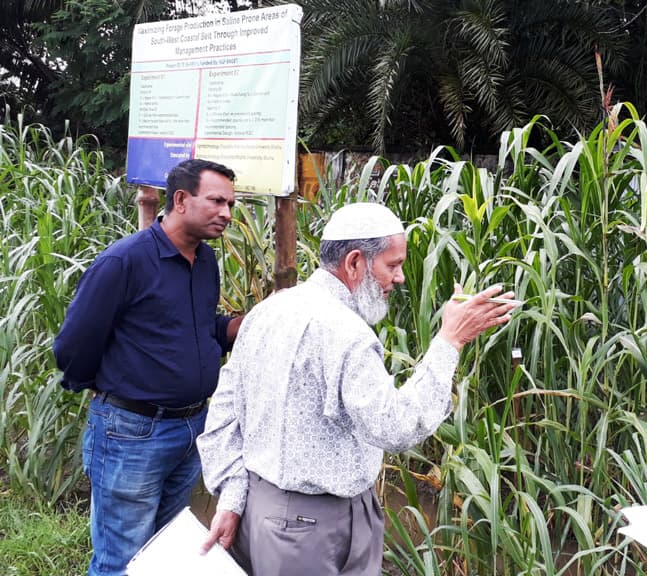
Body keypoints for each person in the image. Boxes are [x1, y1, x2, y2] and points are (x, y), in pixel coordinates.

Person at [197, 202, 518, 575]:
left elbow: (222, 413)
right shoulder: (346, 334)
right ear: (354, 263)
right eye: (392, 265)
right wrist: (450, 340)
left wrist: (231, 500)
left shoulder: (268, 310)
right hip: (311, 529)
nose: (399, 279)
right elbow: (395, 427)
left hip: (268, 511)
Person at [53, 158, 244, 576]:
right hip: (131, 433)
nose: (227, 213)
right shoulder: (125, 261)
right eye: (216, 201)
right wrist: (109, 392)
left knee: (164, 553)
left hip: (192, 427)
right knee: (121, 559)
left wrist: (237, 328)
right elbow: (73, 344)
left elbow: (195, 330)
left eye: (230, 203)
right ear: (179, 199)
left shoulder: (205, 261)